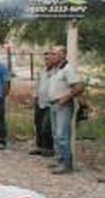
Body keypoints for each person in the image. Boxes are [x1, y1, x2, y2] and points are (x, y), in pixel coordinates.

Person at [44, 46, 85, 174]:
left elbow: (79, 87)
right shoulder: (56, 69)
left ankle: (66, 164)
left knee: (62, 135)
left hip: (63, 106)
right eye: (51, 54)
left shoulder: (68, 69)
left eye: (54, 54)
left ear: (63, 55)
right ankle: (59, 160)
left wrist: (66, 98)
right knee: (56, 135)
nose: (51, 56)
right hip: (54, 105)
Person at [30, 50, 56, 157]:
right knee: (38, 125)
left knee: (47, 126)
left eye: (49, 59)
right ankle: (39, 146)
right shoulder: (41, 72)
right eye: (45, 59)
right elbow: (37, 86)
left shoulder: (57, 72)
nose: (47, 61)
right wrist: (35, 98)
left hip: (50, 103)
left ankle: (48, 148)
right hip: (40, 101)